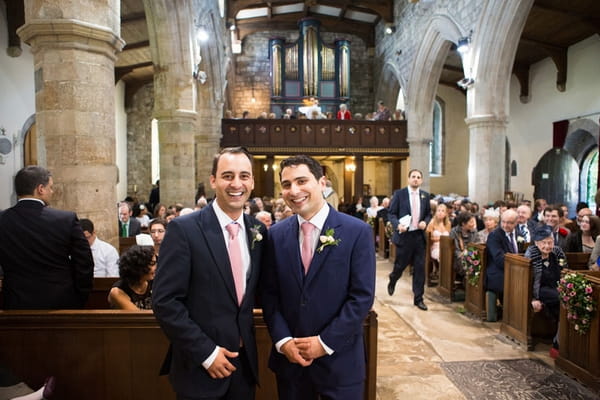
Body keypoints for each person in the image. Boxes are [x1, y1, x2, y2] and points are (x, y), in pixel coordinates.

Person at [152, 147, 267, 399]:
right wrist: (206, 353)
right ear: (213, 180)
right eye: (227, 176)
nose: (236, 183)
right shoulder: (185, 229)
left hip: (243, 367)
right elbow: (165, 301)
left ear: (252, 181)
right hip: (200, 366)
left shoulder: (258, 230)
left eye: (244, 176)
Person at [261, 155, 375, 400]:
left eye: (302, 181)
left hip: (340, 363)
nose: (294, 190)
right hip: (291, 365)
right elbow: (269, 295)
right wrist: (283, 341)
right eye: (287, 184)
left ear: (322, 183)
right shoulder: (276, 235)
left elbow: (361, 297)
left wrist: (323, 343)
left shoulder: (358, 232)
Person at [0, 166, 94, 309]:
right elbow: (84, 262)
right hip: (60, 302)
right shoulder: (66, 219)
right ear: (40, 189)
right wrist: (80, 297)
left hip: (16, 302)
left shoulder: (3, 220)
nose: (52, 191)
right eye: (50, 187)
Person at [387, 169, 432, 310]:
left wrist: (425, 221)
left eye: (418, 177)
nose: (416, 179)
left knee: (419, 269)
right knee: (400, 266)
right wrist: (398, 225)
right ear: (408, 179)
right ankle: (393, 278)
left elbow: (429, 214)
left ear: (421, 180)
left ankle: (418, 298)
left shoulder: (425, 196)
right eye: (413, 177)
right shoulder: (400, 194)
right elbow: (391, 213)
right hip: (405, 235)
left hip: (418, 236)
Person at [524, 225, 567, 352]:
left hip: (556, 288)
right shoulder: (531, 253)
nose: (547, 246)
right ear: (536, 242)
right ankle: (558, 341)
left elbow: (565, 271)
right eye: (544, 243)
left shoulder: (557, 252)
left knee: (561, 304)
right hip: (540, 290)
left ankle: (559, 340)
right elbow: (527, 280)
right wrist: (533, 298)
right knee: (563, 300)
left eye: (550, 242)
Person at [484, 209, 520, 321]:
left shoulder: (519, 233)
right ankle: (512, 315)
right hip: (498, 271)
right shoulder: (494, 236)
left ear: (516, 222)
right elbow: (499, 259)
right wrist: (517, 266)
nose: (505, 225)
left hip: (516, 268)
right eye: (503, 222)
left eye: (509, 223)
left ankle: (518, 315)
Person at [108, 245, 156, 310]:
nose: (156, 267)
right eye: (152, 263)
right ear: (139, 266)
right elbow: (138, 317)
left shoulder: (155, 282)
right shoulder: (118, 291)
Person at [449, 212, 478, 281]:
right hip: (458, 258)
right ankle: (469, 283)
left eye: (473, 222)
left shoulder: (474, 231)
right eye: (471, 222)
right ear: (463, 223)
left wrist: (470, 253)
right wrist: (465, 253)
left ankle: (472, 285)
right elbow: (456, 251)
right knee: (471, 265)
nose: (473, 224)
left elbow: (477, 245)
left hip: (472, 255)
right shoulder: (454, 232)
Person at [425, 202, 451, 280]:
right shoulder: (432, 223)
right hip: (434, 246)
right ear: (436, 212)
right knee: (441, 254)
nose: (440, 212)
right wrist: (439, 240)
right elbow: (428, 238)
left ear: (446, 213)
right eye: (438, 210)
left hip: (445, 246)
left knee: (451, 254)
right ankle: (442, 275)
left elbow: (449, 236)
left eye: (442, 211)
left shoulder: (448, 223)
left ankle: (446, 277)